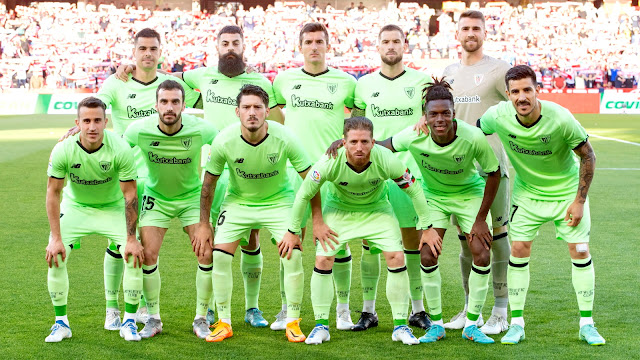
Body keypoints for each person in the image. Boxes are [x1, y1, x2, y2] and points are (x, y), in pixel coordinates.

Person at [477, 65, 605, 346]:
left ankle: (587, 324)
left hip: (566, 194)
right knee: (519, 250)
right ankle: (517, 324)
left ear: (537, 90)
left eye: (527, 90)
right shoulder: (497, 115)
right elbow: (474, 132)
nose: (522, 97)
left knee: (580, 251)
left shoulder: (560, 118)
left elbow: (588, 155)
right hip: (527, 196)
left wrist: (579, 201)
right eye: (515, 92)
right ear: (508, 94)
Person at [290, 117, 433, 345]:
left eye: (365, 142)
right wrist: (292, 231)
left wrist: (426, 227)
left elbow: (414, 190)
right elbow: (304, 194)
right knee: (324, 258)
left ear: (373, 142)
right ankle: (321, 326)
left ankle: (400, 326)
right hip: (339, 210)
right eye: (354, 141)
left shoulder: (386, 159)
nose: (359, 147)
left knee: (396, 256)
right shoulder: (329, 161)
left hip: (377, 210)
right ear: (343, 143)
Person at [379, 79, 500, 344]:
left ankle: (472, 324)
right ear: (425, 116)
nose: (440, 118)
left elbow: (494, 173)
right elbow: (381, 145)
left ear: (454, 112)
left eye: (445, 112)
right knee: (426, 253)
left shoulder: (473, 137)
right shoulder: (414, 135)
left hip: (470, 195)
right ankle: (436, 324)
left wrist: (480, 219)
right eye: (433, 114)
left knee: (481, 252)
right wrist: (346, 143)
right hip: (434, 197)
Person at [193, 85, 312, 343]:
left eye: (258, 107)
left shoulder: (285, 137)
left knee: (293, 254)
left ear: (267, 111)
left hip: (278, 202)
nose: (252, 112)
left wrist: (319, 221)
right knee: (220, 257)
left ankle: (292, 320)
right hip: (238, 203)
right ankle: (224, 322)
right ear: (237, 112)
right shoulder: (224, 139)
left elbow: (310, 179)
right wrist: (204, 223)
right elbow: (209, 184)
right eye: (246, 107)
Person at [272, 22, 357, 331]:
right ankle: (287, 309)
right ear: (300, 46)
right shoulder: (283, 80)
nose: (314, 46)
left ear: (328, 45)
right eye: (308, 41)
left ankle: (343, 311)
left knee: (338, 241)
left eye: (319, 41)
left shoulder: (346, 82)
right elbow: (277, 115)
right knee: (291, 240)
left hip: (333, 172)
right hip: (293, 172)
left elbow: (357, 121)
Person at [349, 24, 432, 331]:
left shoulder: (421, 81)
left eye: (396, 40)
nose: (391, 45)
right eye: (386, 41)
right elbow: (355, 126)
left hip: (410, 171)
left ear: (404, 45)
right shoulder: (364, 85)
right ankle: (369, 311)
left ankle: (417, 309)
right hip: (372, 173)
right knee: (370, 242)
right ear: (378, 46)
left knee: (411, 241)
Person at [123, 80, 218, 339]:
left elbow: (229, 143)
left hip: (191, 198)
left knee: (206, 253)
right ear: (155, 105)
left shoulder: (201, 129)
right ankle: (153, 318)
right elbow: (115, 149)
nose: (169, 107)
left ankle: (202, 317)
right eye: (164, 101)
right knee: (148, 255)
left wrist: (205, 220)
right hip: (157, 198)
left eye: (175, 101)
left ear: (183, 105)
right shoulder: (139, 130)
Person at [45, 97, 143, 342]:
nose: (92, 126)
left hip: (111, 208)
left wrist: (131, 238)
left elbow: (130, 194)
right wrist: (55, 238)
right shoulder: (63, 149)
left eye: (97, 120)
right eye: (86, 121)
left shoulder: (119, 148)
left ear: (105, 122)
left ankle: (129, 322)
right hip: (76, 207)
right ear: (77, 123)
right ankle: (61, 324)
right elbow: (53, 193)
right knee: (55, 254)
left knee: (133, 255)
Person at [440, 10, 512, 334]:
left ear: (485, 33)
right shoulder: (450, 71)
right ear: (457, 34)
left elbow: (518, 108)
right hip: (460, 171)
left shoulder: (499, 70)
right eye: (465, 28)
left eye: (476, 28)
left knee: (497, 239)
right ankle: (471, 310)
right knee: (467, 242)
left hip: (493, 168)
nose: (471, 33)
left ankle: (500, 310)